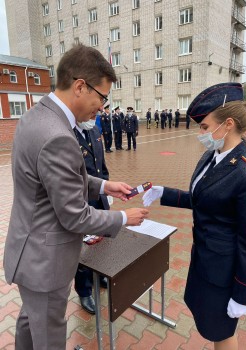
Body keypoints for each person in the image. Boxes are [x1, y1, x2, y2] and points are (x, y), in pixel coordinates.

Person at [4, 44, 148, 350]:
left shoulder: (36, 116)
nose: (103, 106)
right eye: (102, 96)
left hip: (28, 251)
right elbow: (75, 216)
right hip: (46, 261)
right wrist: (124, 218)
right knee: (49, 338)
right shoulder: (58, 134)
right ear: (80, 86)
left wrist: (104, 187)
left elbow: (55, 179)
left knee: (31, 324)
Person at [143, 82, 246, 350]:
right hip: (204, 261)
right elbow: (204, 201)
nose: (201, 133)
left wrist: (244, 293)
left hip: (224, 272)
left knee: (222, 332)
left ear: (228, 124)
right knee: (210, 325)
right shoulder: (212, 156)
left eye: (205, 127)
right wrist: (164, 193)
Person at [74, 117, 110, 314]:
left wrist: (106, 189)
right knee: (84, 248)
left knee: (102, 241)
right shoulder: (67, 134)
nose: (95, 114)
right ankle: (84, 289)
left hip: (99, 197)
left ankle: (99, 274)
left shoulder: (95, 131)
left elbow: (101, 165)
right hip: (81, 202)